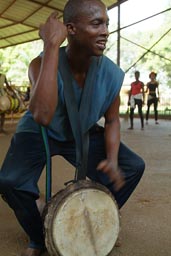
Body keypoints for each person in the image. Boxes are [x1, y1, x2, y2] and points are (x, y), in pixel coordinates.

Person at [0, 1, 145, 256]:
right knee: (11, 181)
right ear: (71, 29)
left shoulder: (111, 73)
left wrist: (112, 160)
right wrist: (52, 45)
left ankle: (100, 221)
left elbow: (111, 120)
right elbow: (42, 116)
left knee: (132, 167)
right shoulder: (40, 63)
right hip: (38, 131)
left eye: (107, 24)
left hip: (80, 131)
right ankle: (39, 235)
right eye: (96, 23)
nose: (106, 31)